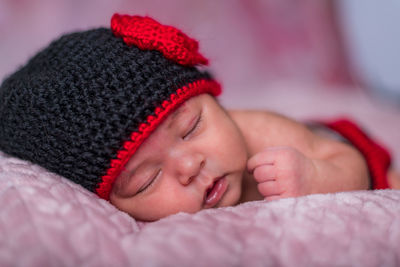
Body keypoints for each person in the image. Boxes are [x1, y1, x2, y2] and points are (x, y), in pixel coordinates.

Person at [0, 14, 398, 221]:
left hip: (336, 146)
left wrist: (315, 176)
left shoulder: (263, 132)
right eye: (145, 180)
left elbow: (354, 164)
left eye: (191, 127)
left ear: (215, 100)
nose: (189, 165)